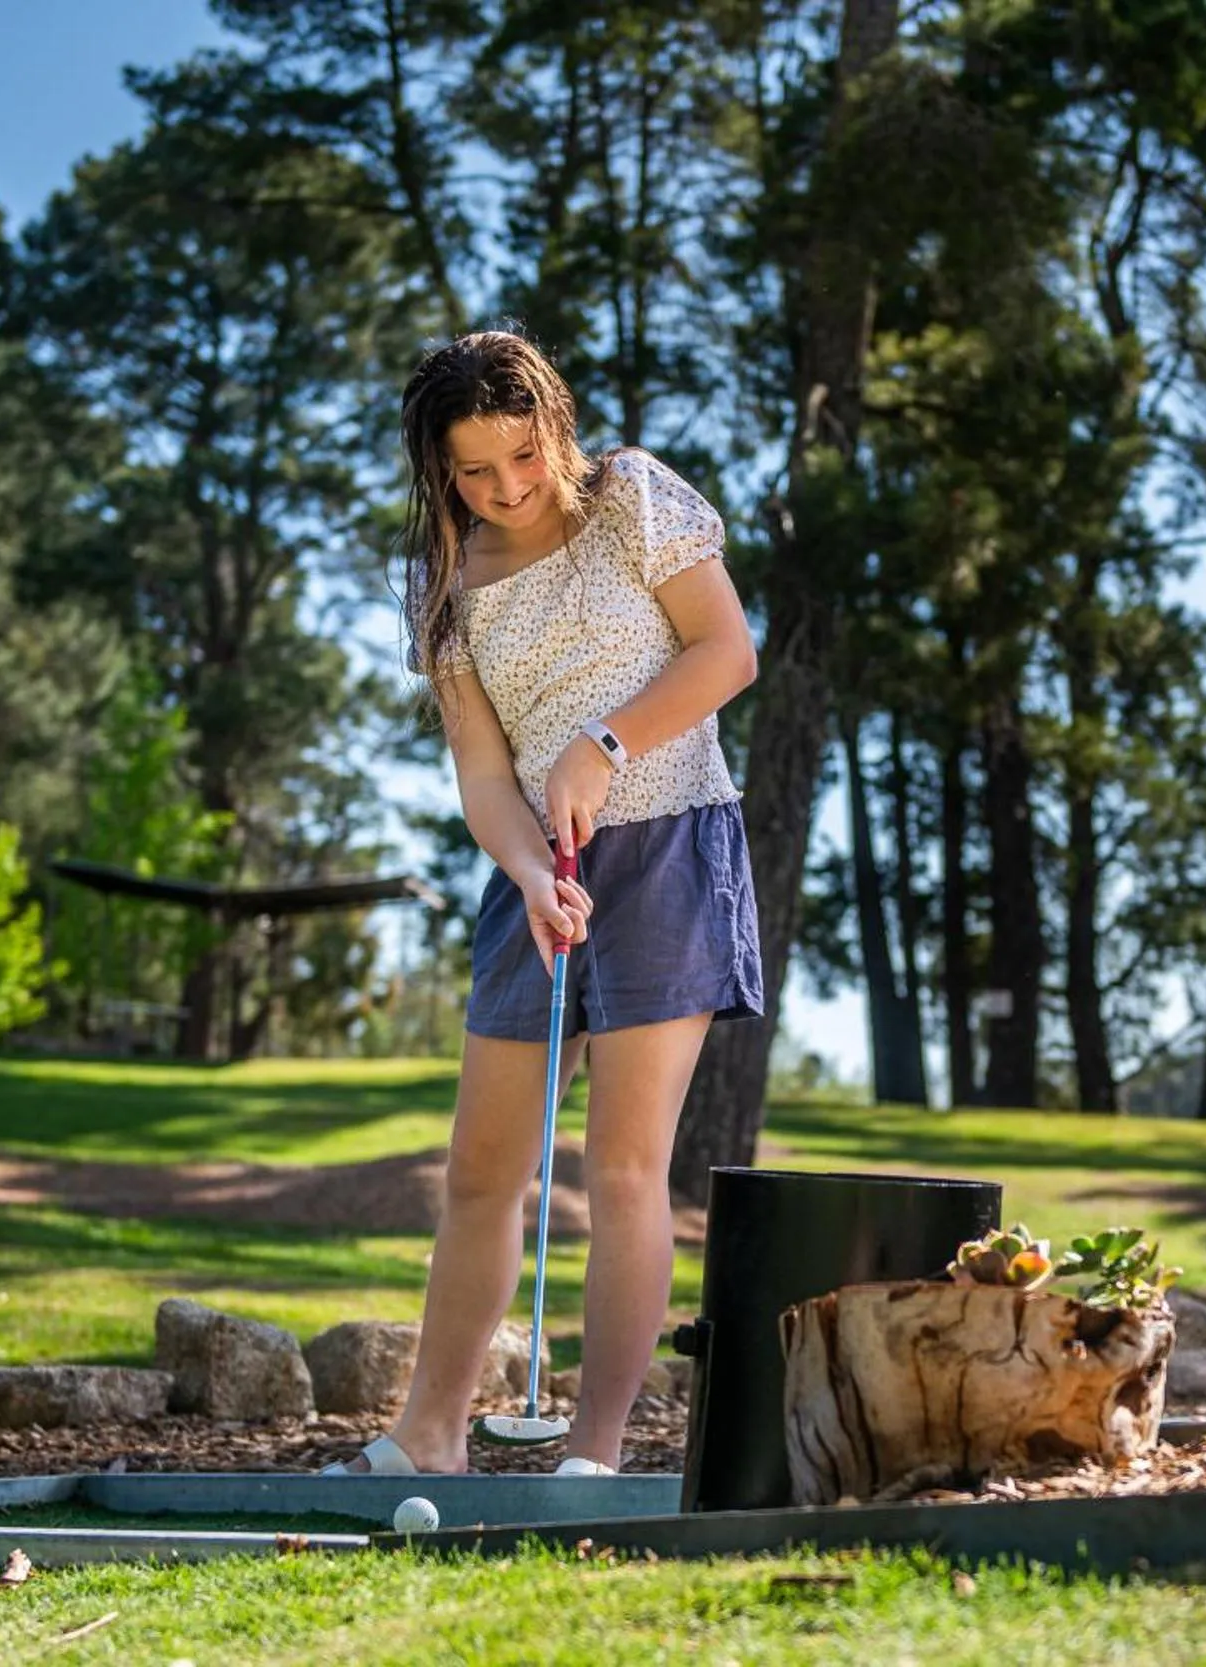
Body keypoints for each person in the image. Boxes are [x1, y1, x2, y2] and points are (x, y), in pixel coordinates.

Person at [326, 329, 762, 1478]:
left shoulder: (633, 500)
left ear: (555, 426)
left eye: (522, 455)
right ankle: (428, 1434)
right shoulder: (447, 584)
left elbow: (726, 651)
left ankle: (594, 1452)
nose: (507, 487)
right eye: (473, 470)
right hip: (538, 871)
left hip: (668, 844)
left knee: (623, 1166)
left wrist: (601, 744)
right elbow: (482, 775)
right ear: (438, 469)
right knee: (482, 1168)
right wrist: (526, 871)